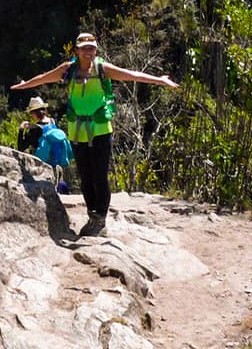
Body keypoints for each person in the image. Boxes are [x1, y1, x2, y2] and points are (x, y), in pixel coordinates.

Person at [10, 31, 179, 237]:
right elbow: (44, 78)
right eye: (85, 48)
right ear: (77, 51)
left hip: (100, 129)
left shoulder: (102, 69)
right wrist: (25, 85)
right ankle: (92, 215)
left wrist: (160, 80)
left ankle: (101, 218)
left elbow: (132, 75)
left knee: (100, 175)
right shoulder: (68, 70)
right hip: (77, 130)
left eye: (92, 48)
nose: (89, 51)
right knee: (85, 175)